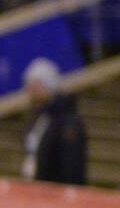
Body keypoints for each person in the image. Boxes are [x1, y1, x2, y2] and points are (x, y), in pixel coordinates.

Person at [21, 57, 88, 185]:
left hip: (54, 190)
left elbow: (71, 167)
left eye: (34, 86)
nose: (29, 91)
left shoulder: (67, 122)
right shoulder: (41, 116)